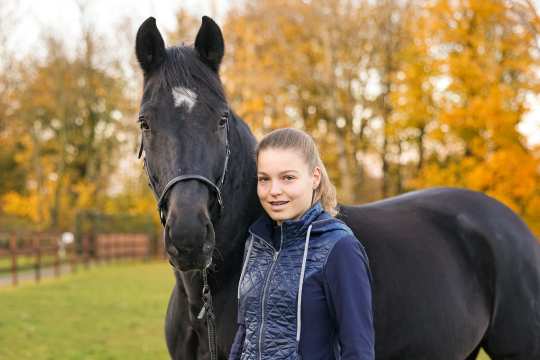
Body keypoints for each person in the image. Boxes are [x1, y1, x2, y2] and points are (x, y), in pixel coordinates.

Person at [228, 128, 375, 360]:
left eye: (288, 178)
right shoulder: (256, 242)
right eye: (264, 179)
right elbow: (246, 331)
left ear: (314, 177)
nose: (274, 191)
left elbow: (358, 348)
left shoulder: (340, 247)